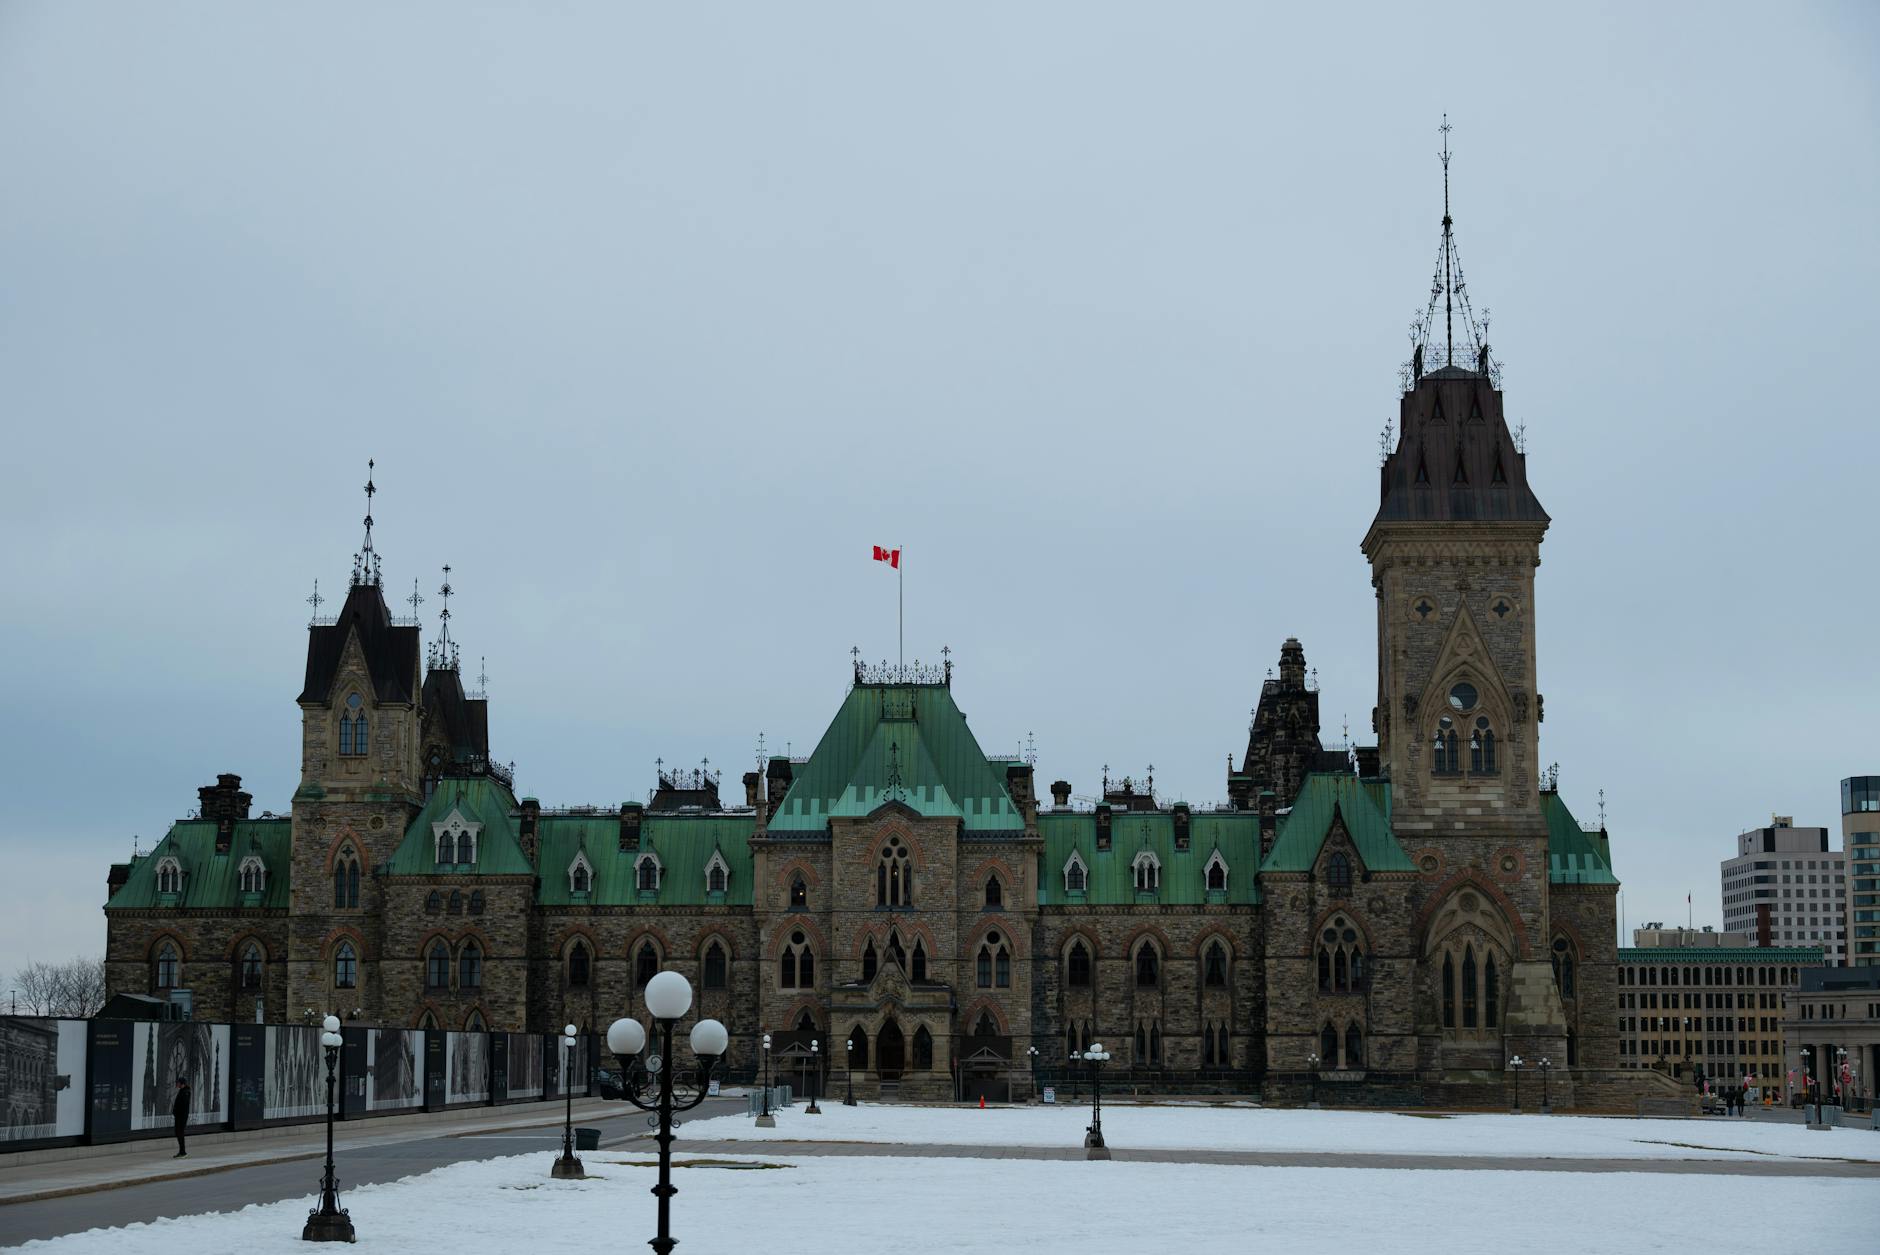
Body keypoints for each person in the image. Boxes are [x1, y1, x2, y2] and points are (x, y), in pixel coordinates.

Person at [172, 1076, 191, 1158]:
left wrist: (178, 1113)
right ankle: (181, 1151)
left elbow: (183, 1106)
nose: (177, 1083)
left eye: (178, 1082)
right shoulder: (182, 1091)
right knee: (178, 1133)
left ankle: (183, 1152)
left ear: (181, 1083)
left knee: (180, 1133)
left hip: (181, 1117)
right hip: (179, 1116)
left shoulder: (185, 1092)